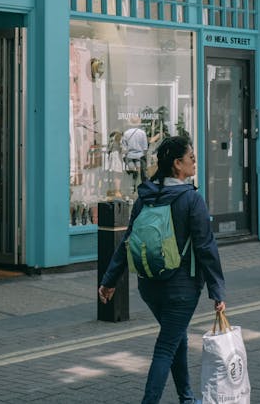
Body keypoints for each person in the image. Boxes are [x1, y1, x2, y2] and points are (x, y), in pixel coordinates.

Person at [98, 136, 226, 404]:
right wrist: (217, 291)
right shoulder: (191, 199)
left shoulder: (146, 196)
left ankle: (187, 397)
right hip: (181, 289)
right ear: (178, 164)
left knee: (175, 337)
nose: (194, 162)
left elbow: (127, 242)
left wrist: (109, 280)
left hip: (149, 285)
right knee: (166, 345)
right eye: (191, 157)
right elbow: (205, 247)